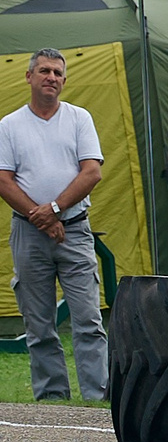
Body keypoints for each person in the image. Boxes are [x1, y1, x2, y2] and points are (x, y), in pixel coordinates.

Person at [0, 49, 106, 402]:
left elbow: (92, 171)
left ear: (64, 80)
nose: (51, 77)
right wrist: (42, 219)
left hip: (74, 230)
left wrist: (56, 209)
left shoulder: (79, 119)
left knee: (89, 320)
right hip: (29, 235)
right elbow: (3, 180)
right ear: (29, 77)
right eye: (44, 71)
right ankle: (51, 402)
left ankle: (97, 397)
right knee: (39, 324)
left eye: (58, 73)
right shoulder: (10, 126)